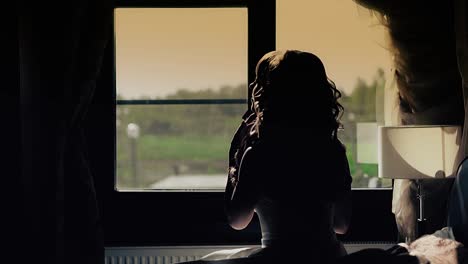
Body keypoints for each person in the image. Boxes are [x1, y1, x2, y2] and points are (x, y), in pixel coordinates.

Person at [220, 50, 353, 263]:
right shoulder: (333, 151)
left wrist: (235, 156)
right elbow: (341, 225)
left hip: (280, 258)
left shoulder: (260, 155)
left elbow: (237, 221)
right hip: (328, 256)